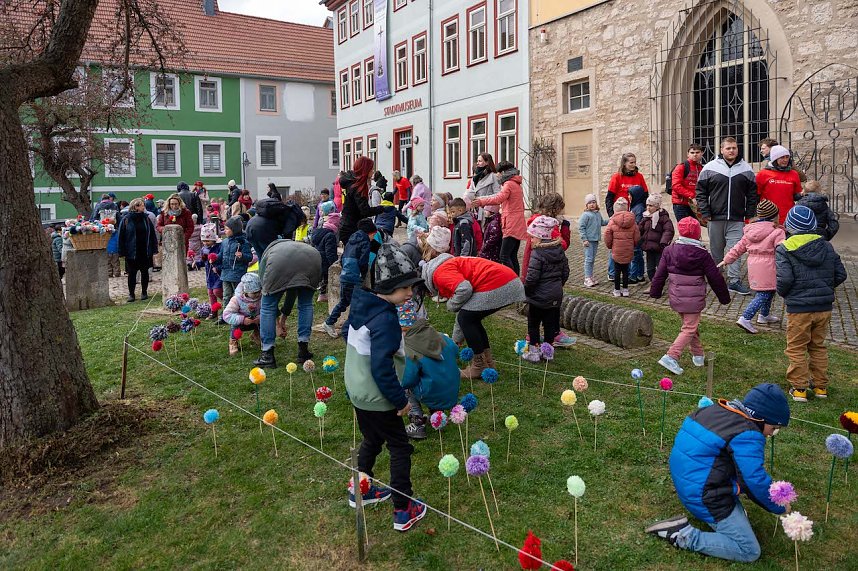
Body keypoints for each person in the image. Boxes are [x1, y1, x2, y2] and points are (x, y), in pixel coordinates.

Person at [646, 383, 791, 563]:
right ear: (761, 419)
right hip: (704, 495)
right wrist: (778, 505)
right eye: (774, 428)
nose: (772, 433)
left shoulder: (715, 410)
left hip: (689, 482)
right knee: (749, 550)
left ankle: (729, 517)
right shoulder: (748, 434)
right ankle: (683, 535)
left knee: (740, 516)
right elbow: (752, 480)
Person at [344, 243, 427, 531]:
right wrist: (399, 401)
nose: (409, 293)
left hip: (357, 390)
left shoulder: (363, 305)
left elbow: (350, 338)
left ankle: (360, 488)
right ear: (386, 288)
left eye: (411, 287)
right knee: (400, 447)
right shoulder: (387, 320)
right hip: (378, 396)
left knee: (371, 439)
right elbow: (381, 367)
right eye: (404, 289)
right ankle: (403, 509)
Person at [421, 226, 526, 378]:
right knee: (471, 318)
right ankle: (487, 362)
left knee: (467, 318)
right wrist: (455, 342)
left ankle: (479, 365)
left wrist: (452, 305)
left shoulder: (440, 273)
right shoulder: (447, 264)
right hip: (507, 280)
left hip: (500, 283)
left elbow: (464, 289)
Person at [776, 205, 847, 401]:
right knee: (817, 346)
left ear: (789, 227)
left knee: (797, 347)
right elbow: (841, 274)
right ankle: (820, 387)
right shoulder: (826, 246)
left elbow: (784, 279)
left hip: (799, 308)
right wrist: (825, 287)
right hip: (824, 308)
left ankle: (799, 388)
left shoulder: (785, 248)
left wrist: (785, 294)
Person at [650, 217, 730, 375]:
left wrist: (655, 291)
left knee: (690, 325)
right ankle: (671, 356)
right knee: (689, 327)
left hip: (677, 297)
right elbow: (715, 277)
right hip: (693, 299)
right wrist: (724, 297)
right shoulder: (702, 254)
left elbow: (659, 274)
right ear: (698, 234)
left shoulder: (669, 250)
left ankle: (698, 355)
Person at [696, 136, 759, 295]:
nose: (732, 150)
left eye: (734, 148)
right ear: (721, 149)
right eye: (728, 148)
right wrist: (705, 212)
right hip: (715, 218)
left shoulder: (746, 169)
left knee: (735, 250)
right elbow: (701, 192)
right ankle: (717, 277)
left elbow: (752, 195)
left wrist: (750, 214)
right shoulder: (710, 168)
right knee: (716, 250)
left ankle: (734, 280)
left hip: (737, 219)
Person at [253, 239, 322, 368]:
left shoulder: (269, 252)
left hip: (279, 263)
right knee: (306, 304)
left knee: (267, 306)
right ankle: (303, 350)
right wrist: (281, 321)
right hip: (312, 258)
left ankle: (267, 354)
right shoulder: (297, 246)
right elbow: (293, 291)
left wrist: (279, 321)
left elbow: (267, 292)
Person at [720, 200, 785, 334]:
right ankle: (745, 318)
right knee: (764, 294)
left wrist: (727, 260)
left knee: (769, 291)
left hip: (754, 266)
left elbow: (738, 247)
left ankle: (764, 315)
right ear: (775, 216)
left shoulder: (750, 230)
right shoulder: (777, 232)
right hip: (770, 266)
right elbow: (783, 250)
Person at [401, 316, 461, 440]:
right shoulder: (441, 337)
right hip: (452, 389)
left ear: (405, 331)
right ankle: (438, 417)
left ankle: (417, 423)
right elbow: (456, 350)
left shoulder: (411, 348)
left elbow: (408, 380)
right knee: (433, 376)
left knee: (404, 388)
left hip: (432, 392)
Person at [521, 216, 572, 362]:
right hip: (555, 296)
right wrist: (558, 285)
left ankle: (534, 353)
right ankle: (548, 353)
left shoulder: (537, 254)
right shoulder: (559, 250)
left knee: (534, 324)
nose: (531, 240)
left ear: (539, 237)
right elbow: (565, 272)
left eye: (532, 237)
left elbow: (532, 278)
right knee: (550, 325)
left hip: (538, 297)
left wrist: (528, 291)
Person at [471, 160, 527, 275]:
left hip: (511, 223)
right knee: (512, 255)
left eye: (498, 172)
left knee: (504, 256)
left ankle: (512, 281)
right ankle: (517, 281)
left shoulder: (509, 184)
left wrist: (481, 201)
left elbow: (498, 198)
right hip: (516, 222)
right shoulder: (515, 183)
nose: (497, 175)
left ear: (503, 172)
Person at [324, 219, 377, 338]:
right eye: (374, 235)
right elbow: (363, 261)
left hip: (345, 275)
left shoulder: (351, 241)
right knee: (357, 302)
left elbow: (343, 257)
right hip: (354, 277)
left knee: (344, 302)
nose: (373, 238)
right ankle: (352, 328)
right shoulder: (365, 242)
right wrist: (363, 274)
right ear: (370, 233)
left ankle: (330, 322)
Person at [605, 152, 648, 279]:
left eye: (635, 162)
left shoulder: (639, 176)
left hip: (634, 214)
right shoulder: (616, 177)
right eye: (631, 162)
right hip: (619, 215)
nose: (634, 165)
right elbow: (609, 198)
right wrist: (612, 215)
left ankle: (633, 273)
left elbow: (645, 195)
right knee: (616, 244)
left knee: (631, 245)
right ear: (624, 163)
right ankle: (612, 273)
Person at [521, 192, 570, 281]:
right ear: (555, 209)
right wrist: (565, 227)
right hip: (545, 269)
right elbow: (562, 245)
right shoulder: (546, 225)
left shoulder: (537, 221)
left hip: (534, 263)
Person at [339, 157, 387, 248]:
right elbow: (365, 211)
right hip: (350, 228)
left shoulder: (354, 184)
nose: (373, 171)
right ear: (365, 170)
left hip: (350, 225)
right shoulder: (357, 187)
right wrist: (381, 209)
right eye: (371, 169)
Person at [117, 198, 158, 302]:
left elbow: (152, 234)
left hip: (145, 249)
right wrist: (121, 251)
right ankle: (131, 294)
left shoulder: (146, 219)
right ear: (135, 207)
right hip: (132, 251)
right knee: (132, 273)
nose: (143, 207)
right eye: (141, 205)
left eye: (143, 205)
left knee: (145, 272)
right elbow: (121, 236)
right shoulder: (126, 219)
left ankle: (144, 292)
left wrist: (154, 248)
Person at [756, 145, 802, 225]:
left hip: (788, 217)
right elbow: (755, 196)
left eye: (787, 157)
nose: (785, 160)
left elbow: (796, 195)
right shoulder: (763, 174)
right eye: (782, 157)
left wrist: (804, 194)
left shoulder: (794, 174)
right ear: (774, 159)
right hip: (768, 218)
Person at [604, 197, 640, 297]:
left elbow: (607, 234)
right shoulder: (633, 221)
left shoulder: (612, 221)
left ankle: (616, 290)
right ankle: (625, 289)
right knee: (626, 270)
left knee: (616, 271)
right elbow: (637, 236)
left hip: (616, 250)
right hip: (628, 250)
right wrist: (633, 244)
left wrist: (610, 246)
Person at [216, 216, 253, 310]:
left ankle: (241, 311)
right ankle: (225, 314)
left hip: (238, 274)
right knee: (226, 295)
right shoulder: (224, 242)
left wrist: (242, 256)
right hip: (226, 273)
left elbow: (249, 257)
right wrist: (215, 258)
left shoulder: (243, 242)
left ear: (235, 230)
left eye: (227, 229)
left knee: (239, 295)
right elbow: (221, 255)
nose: (225, 231)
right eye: (225, 228)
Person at [223, 272, 262, 355]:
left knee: (265, 322)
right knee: (235, 326)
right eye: (254, 293)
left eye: (259, 291)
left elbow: (266, 310)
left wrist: (259, 318)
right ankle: (233, 342)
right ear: (246, 291)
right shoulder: (237, 299)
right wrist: (242, 319)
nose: (257, 294)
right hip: (241, 323)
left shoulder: (262, 298)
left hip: (256, 321)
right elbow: (226, 315)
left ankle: (256, 335)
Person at [639, 194, 675, 281]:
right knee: (650, 268)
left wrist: (664, 241)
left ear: (657, 206)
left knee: (660, 267)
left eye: (651, 205)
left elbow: (668, 230)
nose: (648, 207)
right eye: (647, 205)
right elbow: (640, 228)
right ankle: (653, 283)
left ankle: (659, 284)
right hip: (648, 247)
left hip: (659, 247)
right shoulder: (646, 217)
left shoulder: (663, 217)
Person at [579, 194, 608, 287]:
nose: (592, 204)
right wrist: (584, 239)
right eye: (590, 203)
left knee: (592, 259)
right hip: (588, 241)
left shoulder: (597, 214)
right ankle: (587, 278)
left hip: (595, 240)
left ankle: (590, 276)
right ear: (586, 205)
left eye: (594, 202)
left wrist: (611, 220)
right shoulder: (585, 215)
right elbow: (581, 228)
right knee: (589, 259)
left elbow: (602, 223)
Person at [670, 143, 704, 222]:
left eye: (697, 152)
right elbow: (676, 185)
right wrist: (692, 196)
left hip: (695, 205)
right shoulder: (681, 167)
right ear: (688, 154)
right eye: (692, 153)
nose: (695, 155)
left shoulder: (701, 168)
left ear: (702, 153)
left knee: (695, 230)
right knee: (685, 230)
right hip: (681, 204)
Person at [464, 153, 501, 223]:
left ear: (487, 162)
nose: (477, 163)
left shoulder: (493, 176)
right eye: (477, 161)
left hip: (488, 210)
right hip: (474, 209)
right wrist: (468, 196)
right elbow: (472, 190)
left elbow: (498, 194)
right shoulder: (475, 177)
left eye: (480, 161)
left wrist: (481, 199)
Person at [312, 211, 340, 303]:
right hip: (325, 260)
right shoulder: (330, 235)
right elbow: (330, 252)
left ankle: (320, 293)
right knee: (326, 277)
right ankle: (322, 295)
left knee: (321, 277)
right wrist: (335, 263)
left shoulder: (317, 232)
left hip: (316, 257)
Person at [628, 184, 648, 283]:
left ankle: (633, 276)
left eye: (630, 195)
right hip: (635, 236)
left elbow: (638, 223)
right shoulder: (634, 206)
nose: (628, 197)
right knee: (639, 256)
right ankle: (640, 275)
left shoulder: (639, 208)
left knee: (635, 256)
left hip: (636, 237)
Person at [200, 223, 223, 308]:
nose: (205, 243)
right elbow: (203, 261)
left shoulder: (219, 247)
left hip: (218, 274)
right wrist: (198, 262)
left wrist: (218, 267)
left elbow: (223, 260)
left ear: (213, 239)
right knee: (210, 293)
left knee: (217, 291)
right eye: (204, 241)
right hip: (209, 275)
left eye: (208, 241)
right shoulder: (203, 249)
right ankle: (214, 311)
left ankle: (227, 303)